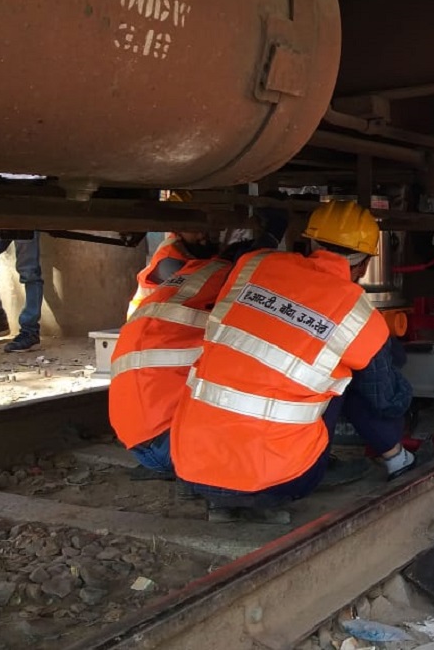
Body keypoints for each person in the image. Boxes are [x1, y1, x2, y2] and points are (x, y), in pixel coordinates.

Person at [169, 200, 415, 522]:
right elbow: (385, 402)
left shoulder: (252, 266)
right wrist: (406, 392)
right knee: (350, 375)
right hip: (281, 483)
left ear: (310, 241)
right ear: (366, 264)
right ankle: (399, 461)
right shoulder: (358, 316)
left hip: (191, 468)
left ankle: (221, 495)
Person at [109, 253, 239, 477]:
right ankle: (216, 495)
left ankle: (187, 472)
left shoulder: (174, 293)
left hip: (137, 439)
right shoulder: (215, 311)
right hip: (169, 445)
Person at [126, 231, 219, 319]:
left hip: (158, 316)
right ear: (178, 232)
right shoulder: (170, 263)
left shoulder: (187, 246)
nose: (201, 235)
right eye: (194, 231)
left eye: (203, 229)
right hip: (146, 321)